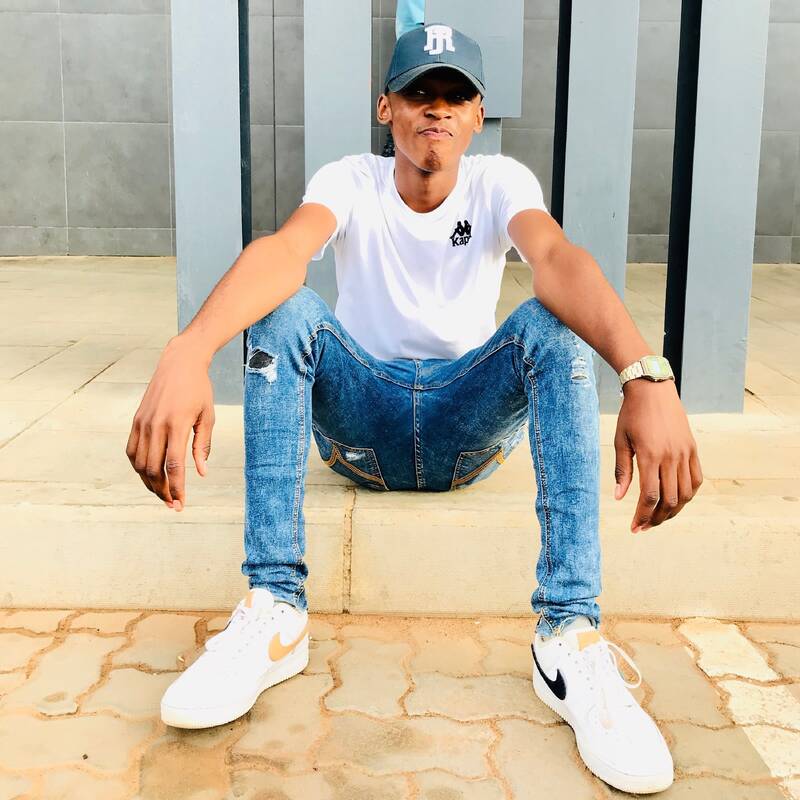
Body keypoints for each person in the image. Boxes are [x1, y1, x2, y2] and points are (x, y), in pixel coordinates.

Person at [125, 22, 703, 795]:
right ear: (385, 107)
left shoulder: (500, 183)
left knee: (554, 323)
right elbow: (286, 250)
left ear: (478, 114)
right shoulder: (350, 180)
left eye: (455, 96)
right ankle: (274, 609)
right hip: (362, 423)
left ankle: (569, 635)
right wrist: (189, 348)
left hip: (467, 427)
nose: (437, 108)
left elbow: (556, 258)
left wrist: (645, 375)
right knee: (284, 310)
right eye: (418, 92)